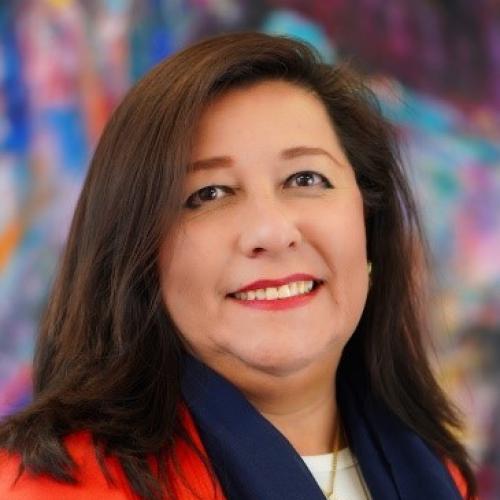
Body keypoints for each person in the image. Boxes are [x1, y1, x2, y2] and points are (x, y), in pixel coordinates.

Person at [0, 32, 476, 499]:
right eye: (209, 194)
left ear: (368, 221)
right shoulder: (53, 488)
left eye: (305, 178)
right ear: (138, 254)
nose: (272, 231)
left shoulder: (439, 473)